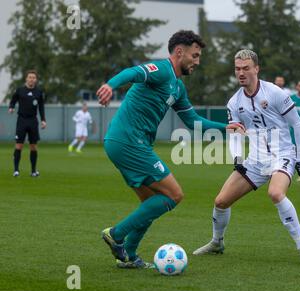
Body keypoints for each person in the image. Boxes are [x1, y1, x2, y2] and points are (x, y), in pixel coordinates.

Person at [96, 30, 243, 269]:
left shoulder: (178, 87)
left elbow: (195, 122)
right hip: (129, 141)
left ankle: (129, 256)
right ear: (179, 52)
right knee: (174, 195)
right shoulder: (162, 70)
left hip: (126, 142)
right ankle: (116, 234)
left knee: (152, 203)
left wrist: (227, 128)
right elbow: (133, 72)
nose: (197, 61)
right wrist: (110, 85)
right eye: (194, 56)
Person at [193, 49, 300, 265]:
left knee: (276, 193)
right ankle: (217, 242)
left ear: (256, 69)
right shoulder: (234, 102)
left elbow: (297, 124)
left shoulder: (275, 93)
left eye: (246, 68)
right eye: (237, 69)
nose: (241, 73)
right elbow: (234, 132)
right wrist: (238, 159)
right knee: (221, 201)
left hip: (282, 155)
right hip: (256, 160)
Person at [8, 70, 46, 177]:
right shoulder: (20, 90)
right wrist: (11, 107)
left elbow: (41, 107)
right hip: (22, 121)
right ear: (26, 78)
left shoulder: (39, 92)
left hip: (33, 121)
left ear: (36, 80)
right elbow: (13, 100)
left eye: (33, 77)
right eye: (30, 77)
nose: (31, 79)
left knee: (33, 146)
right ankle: (16, 170)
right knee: (19, 145)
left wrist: (43, 120)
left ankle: (33, 171)